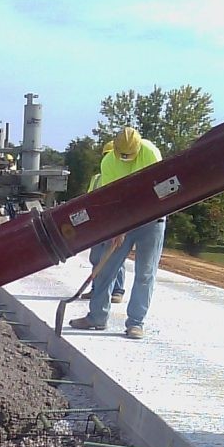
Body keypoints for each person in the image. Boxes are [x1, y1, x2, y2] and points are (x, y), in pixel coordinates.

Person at [69, 126, 164, 339]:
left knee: (145, 274)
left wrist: (131, 221)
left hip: (152, 218)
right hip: (123, 218)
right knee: (106, 268)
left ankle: (136, 323)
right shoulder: (109, 162)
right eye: (122, 155)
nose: (125, 159)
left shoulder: (150, 153)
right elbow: (114, 198)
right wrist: (117, 227)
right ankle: (97, 317)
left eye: (129, 155)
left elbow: (156, 192)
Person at [82, 140, 126, 304]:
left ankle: (117, 290)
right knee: (96, 258)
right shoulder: (97, 178)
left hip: (114, 224)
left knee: (114, 259)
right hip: (98, 225)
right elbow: (88, 200)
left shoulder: (123, 177)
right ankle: (97, 289)